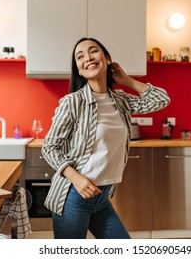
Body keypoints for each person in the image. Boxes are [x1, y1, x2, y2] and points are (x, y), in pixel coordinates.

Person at [41, 37, 170, 239]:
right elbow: (49, 147)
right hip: (74, 194)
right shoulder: (73, 102)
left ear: (107, 59)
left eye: (93, 51)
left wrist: (126, 80)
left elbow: (162, 99)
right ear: (79, 69)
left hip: (101, 197)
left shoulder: (120, 101)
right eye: (80, 56)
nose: (88, 58)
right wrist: (76, 178)